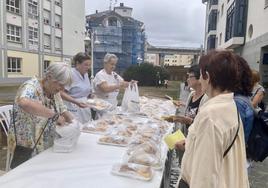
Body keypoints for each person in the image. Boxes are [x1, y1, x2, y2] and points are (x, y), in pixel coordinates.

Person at [177, 51, 249, 188]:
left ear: (208, 77)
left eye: (202, 75)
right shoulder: (229, 105)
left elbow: (204, 179)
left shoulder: (210, 116)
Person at [8, 62, 74, 163]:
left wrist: (74, 123)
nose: (63, 89)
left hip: (45, 144)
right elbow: (24, 102)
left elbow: (62, 109)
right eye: (61, 85)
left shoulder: (53, 91)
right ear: (49, 77)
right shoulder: (31, 87)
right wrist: (55, 116)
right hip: (26, 148)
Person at [60, 52, 92, 124]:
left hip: (84, 107)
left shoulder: (86, 74)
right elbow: (61, 93)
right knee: (76, 128)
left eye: (89, 65)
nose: (88, 67)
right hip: (73, 107)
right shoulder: (70, 74)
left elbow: (85, 91)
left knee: (87, 129)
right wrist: (76, 102)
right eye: (86, 65)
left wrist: (92, 96)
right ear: (77, 64)